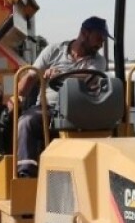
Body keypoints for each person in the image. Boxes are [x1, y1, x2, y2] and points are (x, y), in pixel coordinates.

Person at [15, 16, 110, 177]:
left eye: (103, 39)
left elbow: (85, 77)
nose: (101, 44)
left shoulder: (98, 61)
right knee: (26, 121)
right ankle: (27, 174)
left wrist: (60, 75)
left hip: (80, 109)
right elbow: (27, 81)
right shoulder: (53, 51)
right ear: (84, 33)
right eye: (99, 37)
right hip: (49, 109)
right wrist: (31, 80)